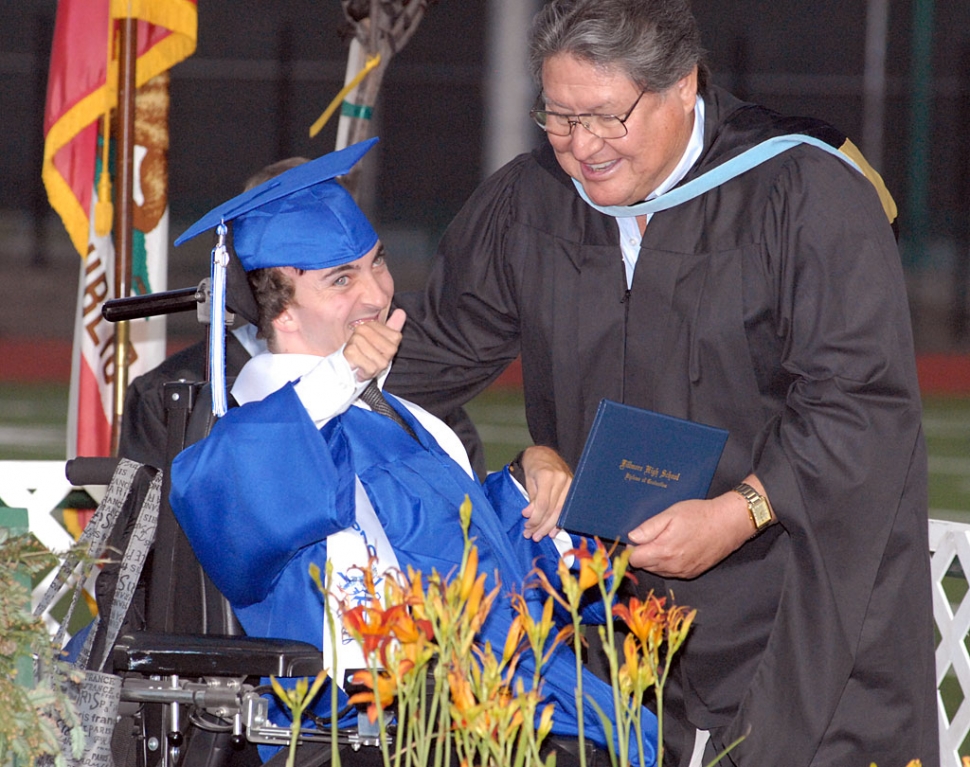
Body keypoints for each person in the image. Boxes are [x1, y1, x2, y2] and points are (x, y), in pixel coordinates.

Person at [385, 1, 938, 765]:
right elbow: (422, 372)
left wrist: (740, 511)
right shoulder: (531, 202)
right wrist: (517, 468)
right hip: (611, 615)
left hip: (794, 601)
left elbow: (861, 401)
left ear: (684, 83)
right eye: (558, 115)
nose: (581, 147)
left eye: (608, 117)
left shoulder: (801, 190)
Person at [167, 139, 655, 765]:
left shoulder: (407, 416)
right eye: (342, 279)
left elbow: (474, 558)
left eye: (377, 264)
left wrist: (534, 481)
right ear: (282, 315)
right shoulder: (253, 433)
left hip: (478, 701)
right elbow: (225, 485)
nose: (377, 294)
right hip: (358, 731)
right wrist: (338, 377)